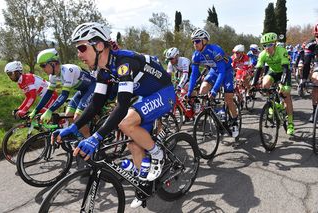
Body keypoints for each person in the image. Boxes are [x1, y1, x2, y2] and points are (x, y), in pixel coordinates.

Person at [52, 22, 175, 208]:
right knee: (134, 145)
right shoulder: (103, 70)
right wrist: (73, 127)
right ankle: (146, 186)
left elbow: (123, 104)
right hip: (145, 96)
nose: (79, 54)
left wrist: (95, 137)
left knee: (125, 124)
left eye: (82, 48)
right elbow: (96, 103)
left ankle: (158, 155)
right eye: (78, 49)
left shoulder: (124, 64)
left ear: (99, 45)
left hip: (163, 93)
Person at [29, 48, 96, 137]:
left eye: (43, 65)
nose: (42, 69)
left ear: (52, 63)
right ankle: (81, 137)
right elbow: (48, 94)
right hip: (82, 90)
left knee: (77, 117)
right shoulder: (52, 76)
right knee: (68, 115)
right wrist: (35, 110)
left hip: (93, 87)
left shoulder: (67, 70)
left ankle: (90, 141)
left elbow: (64, 94)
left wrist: (49, 111)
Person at [186, 28, 239, 137]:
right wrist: (189, 92)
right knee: (203, 90)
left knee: (228, 99)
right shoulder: (196, 55)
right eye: (193, 41)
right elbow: (194, 74)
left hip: (226, 71)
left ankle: (234, 121)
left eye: (197, 41)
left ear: (204, 41)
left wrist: (214, 90)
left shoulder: (215, 50)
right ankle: (216, 112)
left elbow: (222, 72)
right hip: (214, 71)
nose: (194, 44)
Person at [251, 32, 295, 135]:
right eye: (265, 45)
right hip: (273, 72)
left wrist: (282, 84)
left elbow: (285, 69)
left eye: (270, 44)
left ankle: (290, 123)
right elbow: (258, 70)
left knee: (286, 94)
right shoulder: (262, 54)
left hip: (284, 72)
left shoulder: (281, 50)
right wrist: (253, 85)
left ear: (275, 44)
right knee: (265, 85)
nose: (267, 47)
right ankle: (273, 105)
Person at [302, 24, 318, 122]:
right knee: (316, 81)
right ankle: (314, 110)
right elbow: (307, 63)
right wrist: (303, 79)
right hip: (317, 65)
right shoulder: (310, 44)